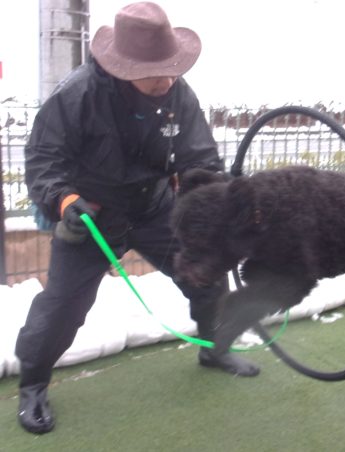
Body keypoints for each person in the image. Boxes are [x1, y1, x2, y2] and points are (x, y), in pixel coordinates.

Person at [15, 1, 259, 435]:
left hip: (155, 207)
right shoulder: (77, 94)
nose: (168, 79)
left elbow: (199, 158)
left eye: (172, 69)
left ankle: (214, 347)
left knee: (206, 271)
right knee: (63, 308)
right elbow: (43, 158)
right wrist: (64, 200)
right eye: (156, 72)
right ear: (123, 68)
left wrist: (213, 198)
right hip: (92, 214)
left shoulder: (178, 93)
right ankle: (33, 384)